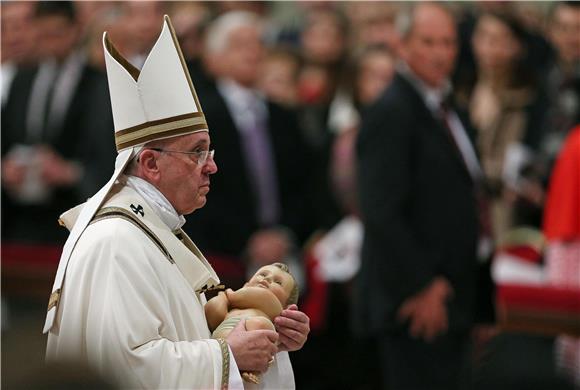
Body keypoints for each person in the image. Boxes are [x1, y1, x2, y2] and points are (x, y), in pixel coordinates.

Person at [44, 15, 309, 389]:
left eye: (210, 150)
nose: (212, 166)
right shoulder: (115, 242)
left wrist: (263, 336)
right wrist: (229, 357)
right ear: (151, 163)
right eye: (197, 153)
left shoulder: (158, 227)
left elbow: (189, 331)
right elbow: (117, 370)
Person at [355, 3, 482, 389]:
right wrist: (422, 284)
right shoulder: (392, 111)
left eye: (448, 42)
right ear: (402, 44)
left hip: (453, 292)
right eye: (428, 42)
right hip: (415, 300)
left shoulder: (447, 105)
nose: (440, 53)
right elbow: (380, 210)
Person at [183, 11, 312, 287]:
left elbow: (306, 184)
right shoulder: (199, 118)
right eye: (240, 45)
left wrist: (285, 235)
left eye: (258, 44)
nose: (252, 52)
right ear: (213, 57)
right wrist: (247, 241)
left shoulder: (284, 117)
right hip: (220, 257)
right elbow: (193, 187)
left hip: (284, 254)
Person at [206, 262, 299, 384]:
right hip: (222, 339)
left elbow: (260, 296)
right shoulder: (232, 306)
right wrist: (221, 297)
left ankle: (250, 371)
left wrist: (230, 295)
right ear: (246, 284)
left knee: (258, 324)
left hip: (257, 332)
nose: (267, 279)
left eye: (278, 282)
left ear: (286, 307)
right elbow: (212, 312)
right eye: (262, 274)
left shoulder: (269, 302)